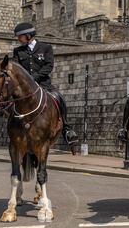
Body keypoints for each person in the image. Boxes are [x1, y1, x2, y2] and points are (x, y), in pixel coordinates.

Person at [13, 22, 79, 150]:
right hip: (24, 88)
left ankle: (67, 128)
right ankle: (12, 126)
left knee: (59, 98)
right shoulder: (18, 51)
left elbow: (49, 66)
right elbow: (17, 68)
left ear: (28, 35)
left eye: (20, 36)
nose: (18, 39)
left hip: (43, 85)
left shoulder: (46, 48)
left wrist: (33, 78)